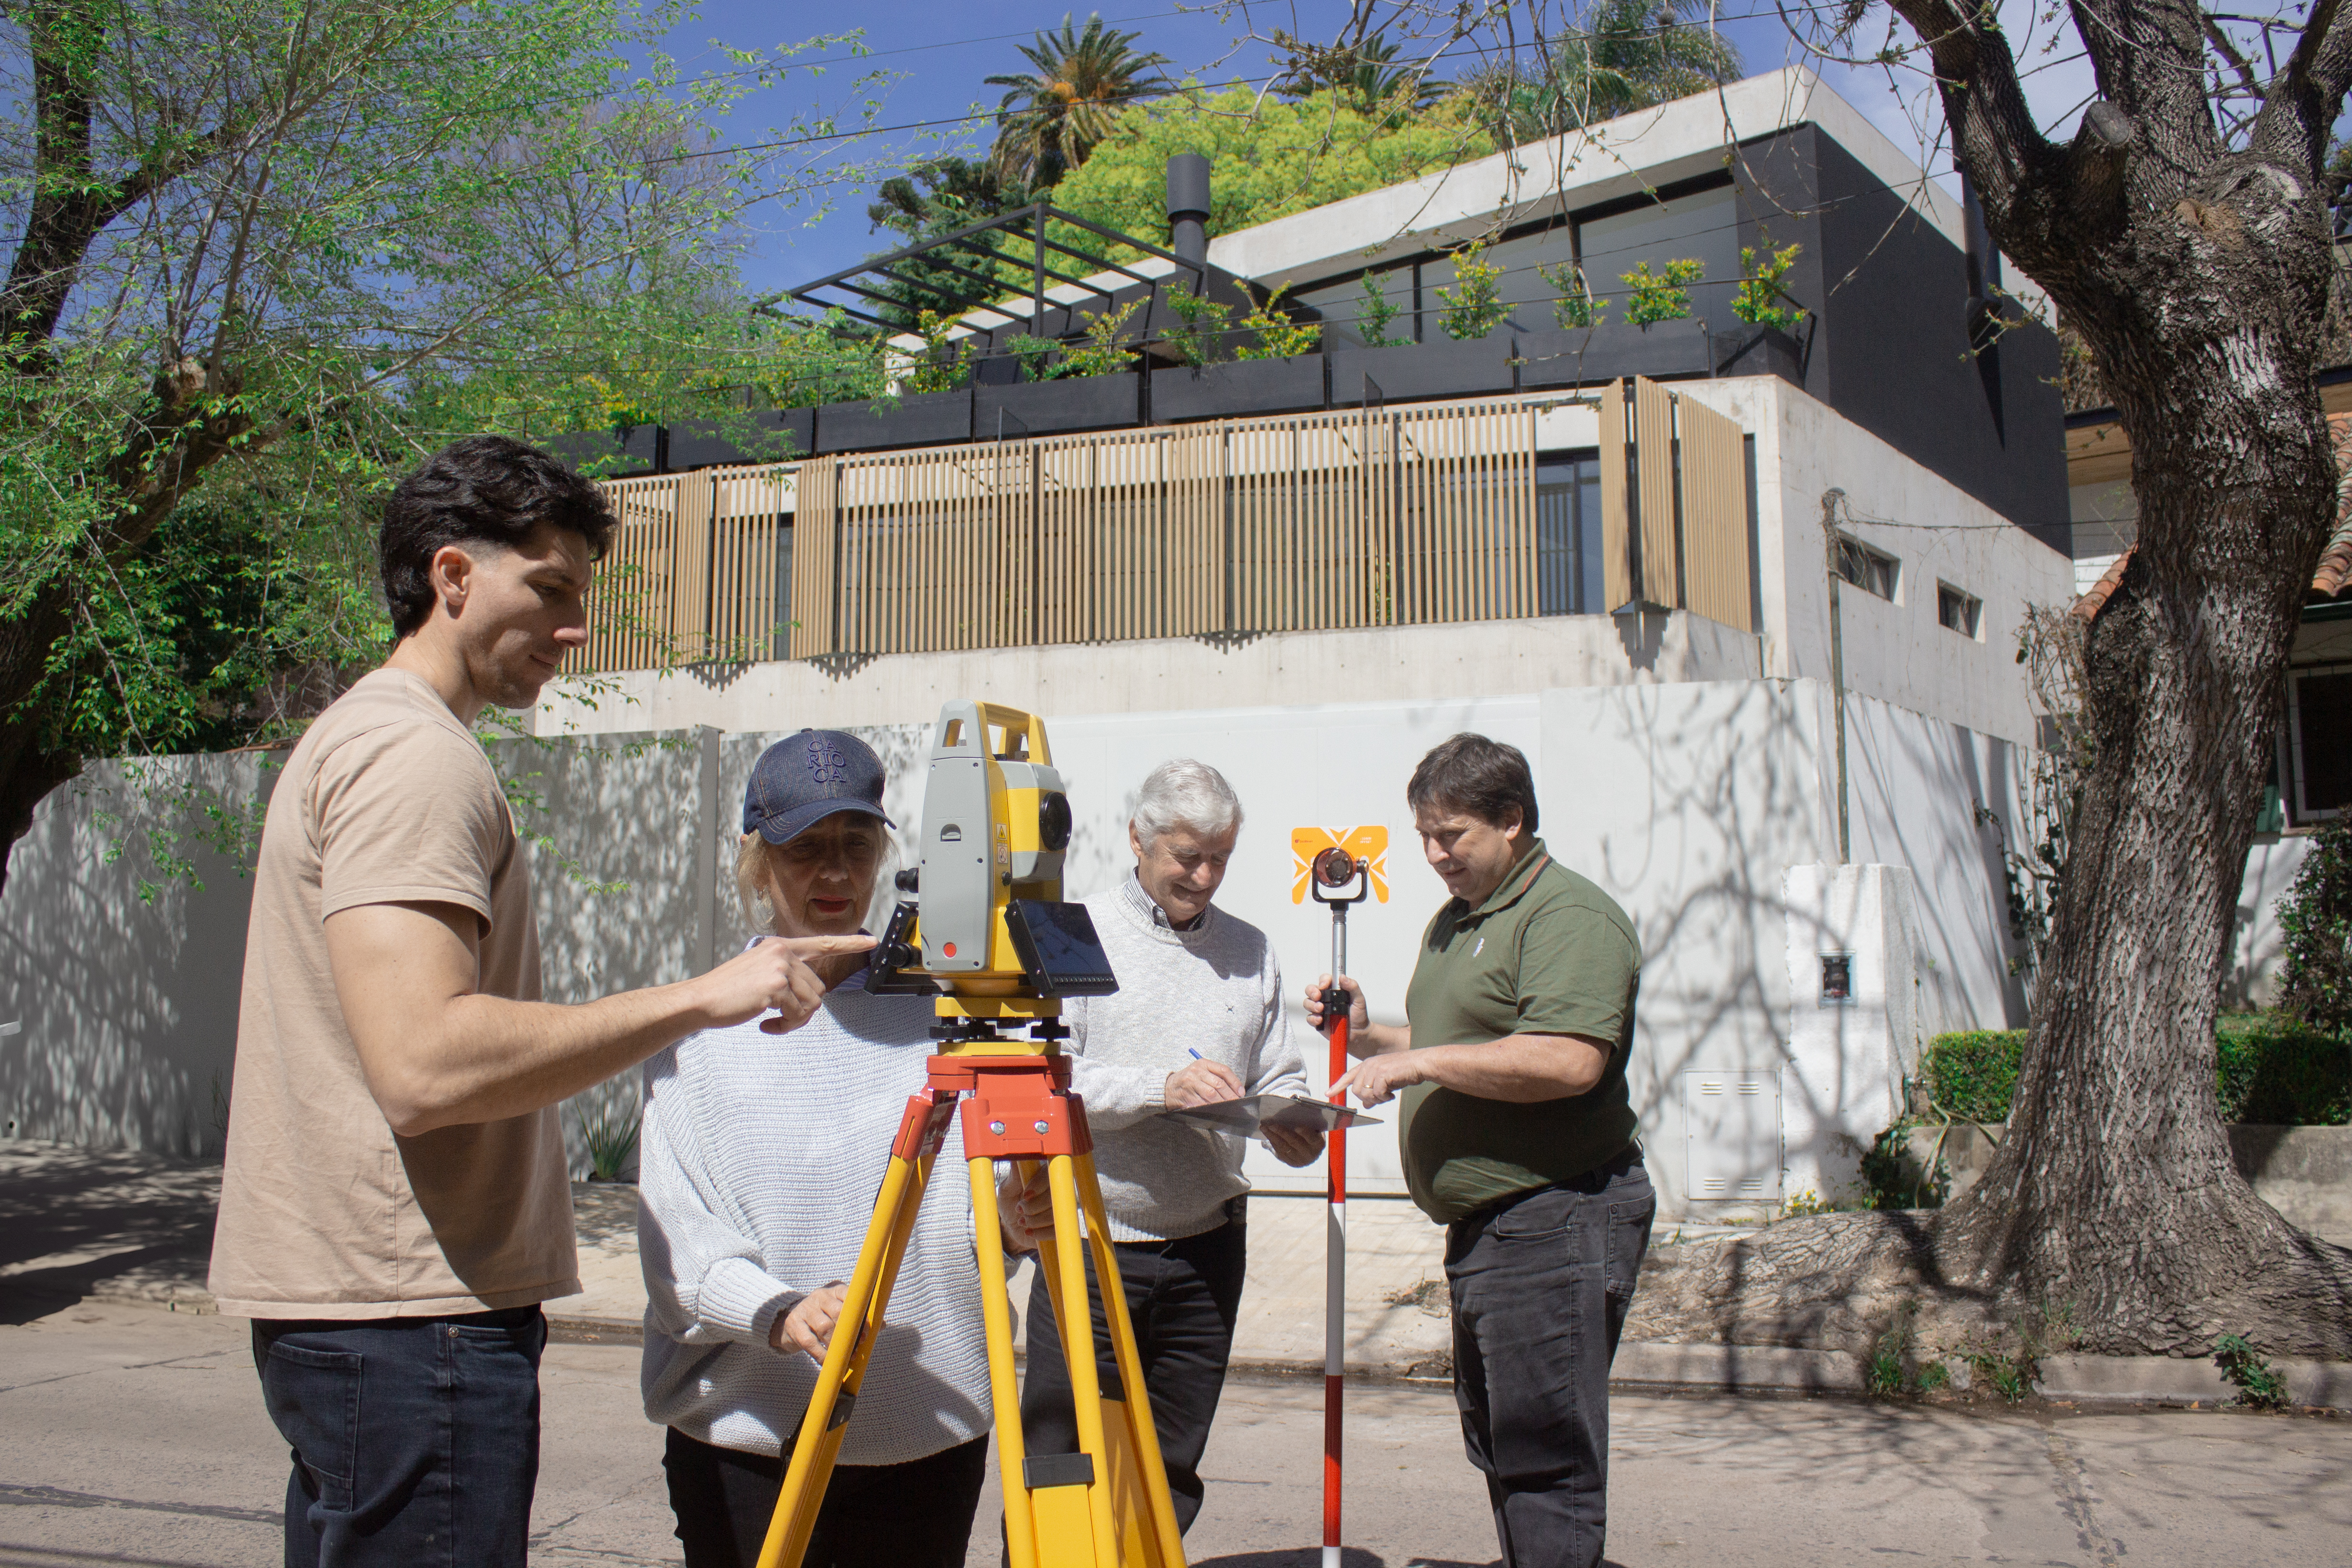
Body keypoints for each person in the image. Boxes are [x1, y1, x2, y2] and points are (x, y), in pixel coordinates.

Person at [207, 436, 867, 1567]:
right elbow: (426, 1066)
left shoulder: (376, 737)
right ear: (453, 576)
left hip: (381, 1318)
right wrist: (699, 999)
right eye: (551, 589)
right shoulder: (412, 756)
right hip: (410, 1320)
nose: (575, 629)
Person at [639, 730, 999, 1568]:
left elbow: (972, 1217)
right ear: (757, 862)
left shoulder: (951, 1018)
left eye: (856, 845)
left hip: (927, 1439)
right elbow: (677, 1248)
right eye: (806, 848)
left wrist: (1015, 1224)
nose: (835, 873)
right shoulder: (702, 1030)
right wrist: (778, 1311)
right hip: (752, 1442)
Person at [1306, 733, 1652, 1568]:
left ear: (1512, 820)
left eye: (1451, 834)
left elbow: (1567, 1059)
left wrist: (1417, 1065)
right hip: (1491, 1229)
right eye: (1424, 835)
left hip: (1555, 1212)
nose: (1434, 854)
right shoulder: (1460, 920)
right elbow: (1459, 1039)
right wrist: (1371, 1036)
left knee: (1545, 1456)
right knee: (1503, 1443)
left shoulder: (1567, 918)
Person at [1004, 758, 1323, 1536]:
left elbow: (1277, 1071)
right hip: (1088, 1244)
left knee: (1168, 1467)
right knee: (1063, 1464)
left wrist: (1290, 1125)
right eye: (1188, 856)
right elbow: (1043, 1081)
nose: (1205, 876)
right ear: (1137, 839)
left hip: (1207, 1246)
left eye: (1221, 858)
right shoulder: (1072, 933)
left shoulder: (1250, 949)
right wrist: (1162, 1087)